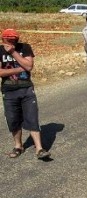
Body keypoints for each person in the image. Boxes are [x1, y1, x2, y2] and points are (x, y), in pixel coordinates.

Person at [0, 29, 51, 159]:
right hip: (9, 90)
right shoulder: (0, 50)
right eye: (8, 40)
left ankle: (39, 148)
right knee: (13, 119)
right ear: (3, 39)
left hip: (26, 88)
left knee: (32, 118)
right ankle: (18, 146)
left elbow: (29, 66)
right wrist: (19, 68)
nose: (12, 42)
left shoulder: (25, 47)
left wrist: (12, 52)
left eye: (14, 39)